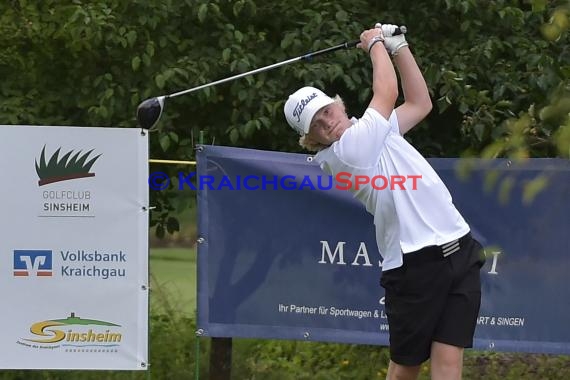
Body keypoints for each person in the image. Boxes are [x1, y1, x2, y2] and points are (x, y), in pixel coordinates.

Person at [283, 24, 485, 380]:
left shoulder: (374, 130)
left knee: (449, 357)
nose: (328, 122)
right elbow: (387, 91)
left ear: (338, 104)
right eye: (317, 124)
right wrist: (375, 42)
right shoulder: (345, 153)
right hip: (414, 264)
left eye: (327, 111)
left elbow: (420, 103)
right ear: (310, 139)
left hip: (459, 247)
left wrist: (399, 46)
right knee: (406, 366)